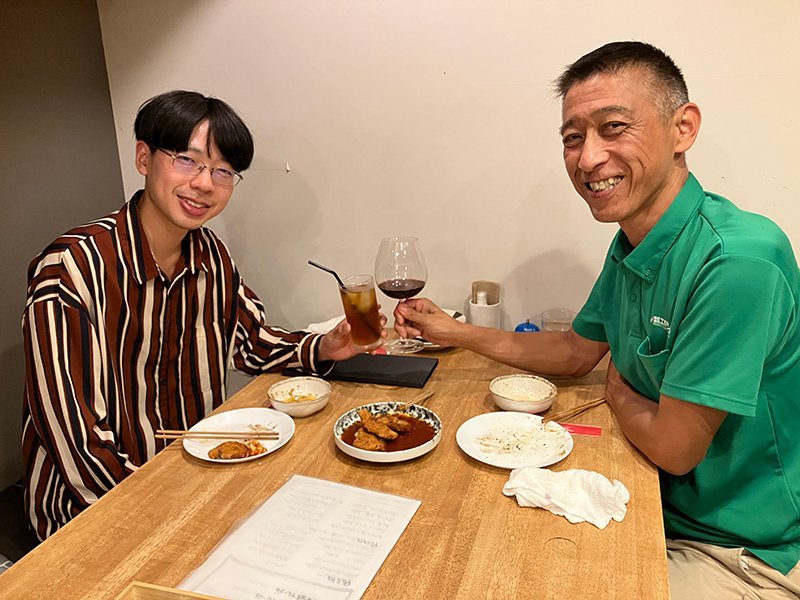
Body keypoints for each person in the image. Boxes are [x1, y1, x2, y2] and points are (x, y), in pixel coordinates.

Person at [394, 42, 800, 598]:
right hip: (654, 498)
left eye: (613, 128)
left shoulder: (737, 261)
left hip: (741, 550)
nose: (587, 159)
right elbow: (574, 352)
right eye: (572, 138)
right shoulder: (634, 242)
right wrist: (452, 331)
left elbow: (674, 447)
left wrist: (619, 392)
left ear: (683, 128)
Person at [22, 90, 381, 541]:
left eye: (223, 171)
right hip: (91, 514)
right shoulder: (72, 268)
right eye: (188, 161)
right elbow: (76, 441)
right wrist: (172, 515)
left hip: (194, 480)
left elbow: (252, 343)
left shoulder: (211, 255)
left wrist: (325, 346)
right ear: (143, 158)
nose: (205, 184)